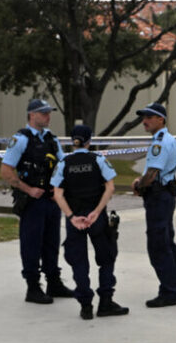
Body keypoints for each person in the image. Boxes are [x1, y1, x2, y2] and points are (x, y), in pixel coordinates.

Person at [0, 98, 74, 304]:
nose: (48, 116)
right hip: (32, 201)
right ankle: (32, 287)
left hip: (51, 199)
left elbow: (62, 164)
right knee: (32, 243)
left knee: (51, 242)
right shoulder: (21, 139)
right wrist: (28, 189)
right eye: (43, 113)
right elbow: (6, 170)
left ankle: (54, 282)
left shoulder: (51, 139)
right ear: (32, 115)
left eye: (49, 113)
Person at [51, 124, 129, 320]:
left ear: (72, 141)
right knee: (107, 258)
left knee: (79, 262)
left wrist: (71, 216)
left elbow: (57, 194)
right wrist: (96, 211)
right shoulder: (99, 160)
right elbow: (110, 188)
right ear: (89, 141)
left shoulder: (63, 163)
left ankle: (85, 305)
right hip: (96, 218)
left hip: (75, 219)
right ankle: (105, 302)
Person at [131, 102, 176, 307]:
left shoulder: (159, 143)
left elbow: (153, 172)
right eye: (144, 117)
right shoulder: (167, 139)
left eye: (149, 117)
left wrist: (139, 186)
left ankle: (169, 291)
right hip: (165, 194)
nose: (144, 121)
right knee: (168, 242)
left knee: (158, 244)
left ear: (161, 119)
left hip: (158, 196)